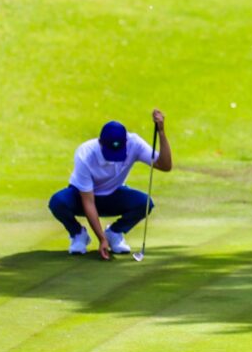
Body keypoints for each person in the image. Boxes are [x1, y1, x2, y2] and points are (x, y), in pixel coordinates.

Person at [48, 109, 172, 260]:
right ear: (100, 142)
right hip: (82, 197)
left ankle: (114, 233)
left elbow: (165, 165)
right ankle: (78, 234)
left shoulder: (134, 143)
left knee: (144, 203)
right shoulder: (85, 154)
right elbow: (88, 201)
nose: (114, 159)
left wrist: (161, 132)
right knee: (58, 202)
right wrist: (101, 239)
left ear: (126, 142)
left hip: (113, 195)